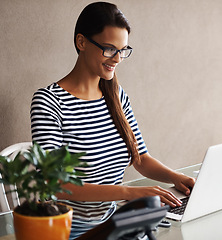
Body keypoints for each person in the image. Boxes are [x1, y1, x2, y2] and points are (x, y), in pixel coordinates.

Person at [30, 2, 195, 239]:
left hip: (111, 226)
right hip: (69, 232)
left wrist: (176, 178)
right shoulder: (49, 102)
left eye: (123, 50)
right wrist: (129, 193)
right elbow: (55, 185)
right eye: (109, 49)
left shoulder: (116, 96)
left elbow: (140, 159)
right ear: (82, 42)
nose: (117, 59)